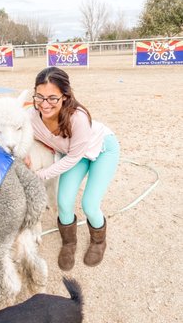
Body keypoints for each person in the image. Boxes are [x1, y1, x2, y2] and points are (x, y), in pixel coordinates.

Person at [27, 67, 120, 270]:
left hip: (102, 149)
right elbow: (20, 134)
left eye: (52, 98)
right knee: (64, 202)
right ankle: (69, 243)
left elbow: (72, 158)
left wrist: (40, 175)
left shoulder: (77, 117)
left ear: (65, 95)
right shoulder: (31, 116)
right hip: (73, 155)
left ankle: (98, 241)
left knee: (89, 204)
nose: (45, 104)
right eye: (40, 97)